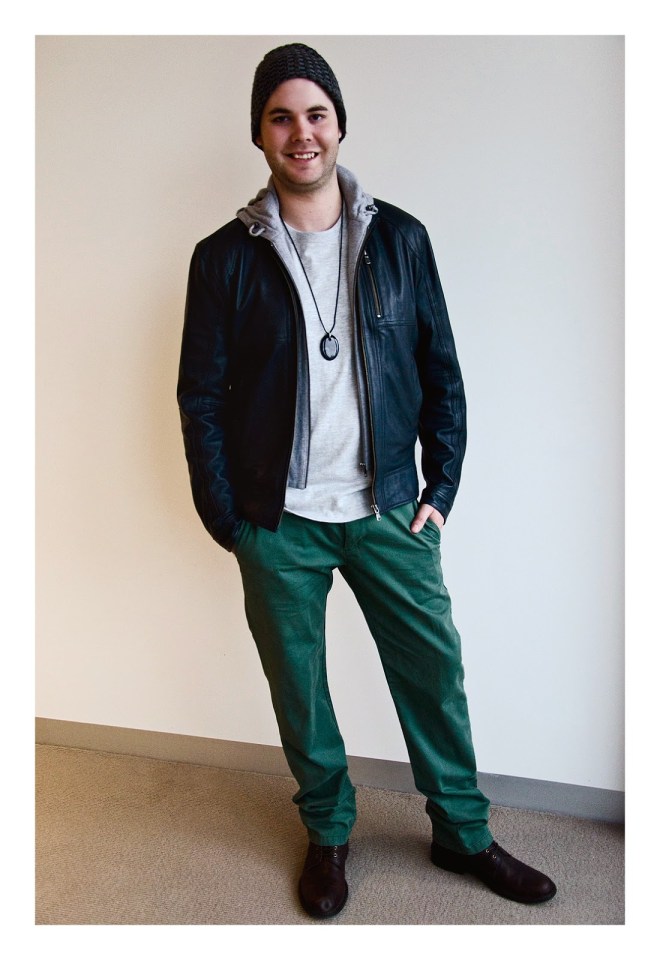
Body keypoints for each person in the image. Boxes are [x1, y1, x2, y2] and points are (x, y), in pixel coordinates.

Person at [177, 42, 556, 919]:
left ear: (339, 124)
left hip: (388, 507)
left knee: (433, 673)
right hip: (278, 519)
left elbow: (443, 373)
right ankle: (328, 832)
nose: (301, 133)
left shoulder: (401, 239)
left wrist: (440, 492)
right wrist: (230, 519)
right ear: (259, 134)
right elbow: (200, 396)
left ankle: (463, 833)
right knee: (299, 689)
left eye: (315, 113)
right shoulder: (222, 257)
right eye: (280, 117)